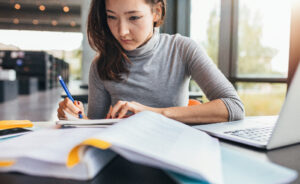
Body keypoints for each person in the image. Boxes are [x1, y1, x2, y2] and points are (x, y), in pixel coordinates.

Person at [57, 0, 245, 124]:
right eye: (111, 17)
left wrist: (154, 113)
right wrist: (76, 117)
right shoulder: (100, 64)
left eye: (134, 17)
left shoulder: (182, 49)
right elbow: (95, 124)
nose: (121, 31)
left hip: (172, 152)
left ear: (156, 12)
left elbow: (234, 107)